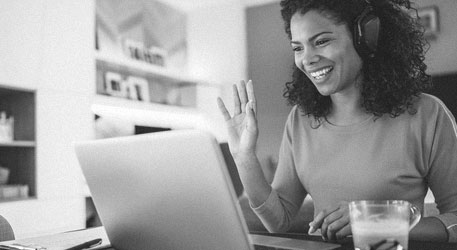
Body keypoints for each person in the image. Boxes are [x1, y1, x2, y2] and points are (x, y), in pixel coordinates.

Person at [217, 0, 457, 243]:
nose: (307, 59)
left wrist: (375, 226)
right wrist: (244, 158)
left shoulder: (427, 114)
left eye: (321, 41)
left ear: (365, 37)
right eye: (298, 48)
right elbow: (279, 220)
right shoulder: (301, 119)